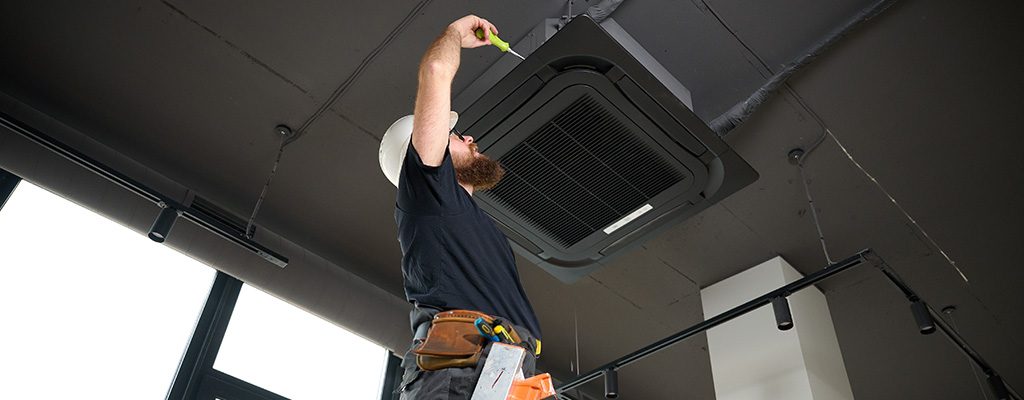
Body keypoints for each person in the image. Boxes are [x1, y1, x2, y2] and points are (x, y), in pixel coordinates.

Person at [377, 15, 543, 399]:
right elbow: (436, 69)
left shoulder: (467, 220)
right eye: (453, 134)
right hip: (462, 372)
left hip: (504, 370)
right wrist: (453, 33)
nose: (469, 137)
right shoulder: (427, 198)